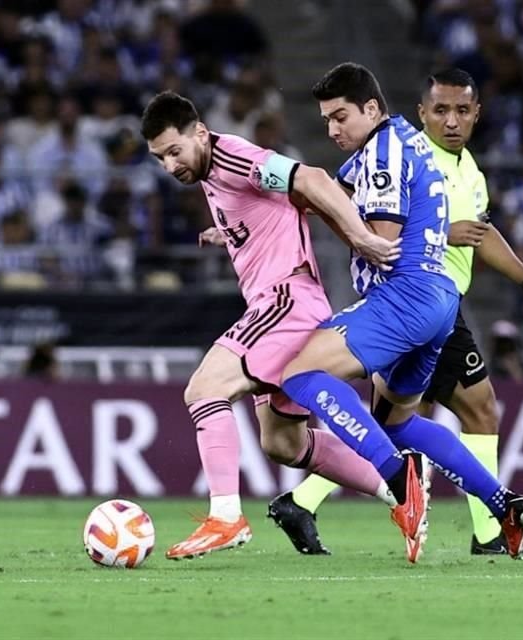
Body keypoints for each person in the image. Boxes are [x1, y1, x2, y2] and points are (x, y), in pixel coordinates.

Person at [270, 68, 523, 557]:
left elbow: (380, 242)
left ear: (371, 109)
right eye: (326, 121)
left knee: (299, 374)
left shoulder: (386, 150)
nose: (332, 131)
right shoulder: (398, 143)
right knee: (397, 420)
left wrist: (343, 227)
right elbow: (332, 199)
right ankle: (504, 506)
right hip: (440, 304)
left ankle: (397, 477)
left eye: (340, 117)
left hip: (403, 296)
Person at [140, 91, 411, 561]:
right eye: (160, 158)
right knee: (283, 442)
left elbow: (312, 179)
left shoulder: (232, 156)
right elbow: (273, 207)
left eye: (174, 151)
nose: (169, 165)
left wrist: (362, 237)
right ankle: (402, 492)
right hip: (289, 304)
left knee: (204, 390)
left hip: (286, 301)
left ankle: (225, 516)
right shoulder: (209, 171)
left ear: (199, 133)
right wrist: (223, 231)